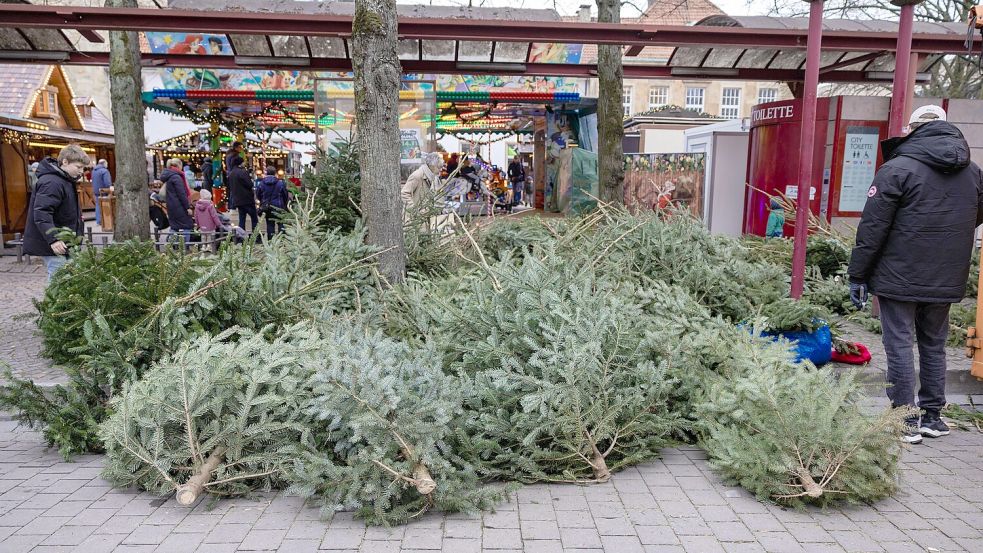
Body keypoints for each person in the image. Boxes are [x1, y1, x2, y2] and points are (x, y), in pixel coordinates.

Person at [848, 105, 983, 445]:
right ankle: (933, 418)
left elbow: (873, 227)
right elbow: (973, 216)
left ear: (914, 130)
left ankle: (905, 419)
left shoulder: (897, 168)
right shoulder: (974, 172)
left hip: (898, 274)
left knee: (899, 344)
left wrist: (858, 274)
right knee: (934, 346)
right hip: (947, 275)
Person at [22, 145, 88, 282]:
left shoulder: (65, 180)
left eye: (83, 168)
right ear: (65, 162)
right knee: (59, 279)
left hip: (64, 241)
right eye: (78, 167)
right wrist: (53, 239)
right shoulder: (52, 182)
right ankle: (53, 304)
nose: (81, 171)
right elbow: (42, 213)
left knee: (67, 278)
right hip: (53, 243)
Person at [160, 158, 194, 243]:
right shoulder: (176, 177)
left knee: (175, 227)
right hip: (179, 206)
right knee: (186, 226)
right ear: (179, 165)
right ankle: (185, 247)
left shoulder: (169, 176)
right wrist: (187, 207)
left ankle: (171, 246)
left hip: (171, 206)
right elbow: (181, 194)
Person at [401, 153, 443, 219]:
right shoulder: (417, 175)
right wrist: (415, 210)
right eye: (439, 167)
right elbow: (404, 193)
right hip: (412, 220)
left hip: (424, 217)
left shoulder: (434, 177)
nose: (441, 170)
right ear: (432, 166)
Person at [256, 166, 290, 239]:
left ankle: (271, 241)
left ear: (266, 173)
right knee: (281, 223)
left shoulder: (262, 183)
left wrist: (263, 201)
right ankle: (282, 239)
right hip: (279, 206)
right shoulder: (280, 183)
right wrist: (284, 205)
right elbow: (285, 195)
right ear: (275, 173)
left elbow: (258, 194)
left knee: (270, 224)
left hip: (267, 207)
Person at [227, 155, 257, 232]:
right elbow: (249, 184)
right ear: (240, 163)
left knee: (242, 219)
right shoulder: (242, 172)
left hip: (238, 199)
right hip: (247, 199)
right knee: (254, 218)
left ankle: (242, 236)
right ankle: (255, 236)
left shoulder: (231, 173)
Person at [90, 159, 112, 227]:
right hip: (104, 191)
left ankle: (99, 221)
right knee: (106, 205)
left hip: (96, 191)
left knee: (98, 206)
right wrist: (110, 188)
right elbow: (107, 182)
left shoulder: (94, 171)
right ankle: (106, 221)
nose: (107, 165)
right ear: (104, 163)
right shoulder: (104, 171)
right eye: (107, 164)